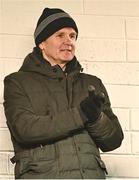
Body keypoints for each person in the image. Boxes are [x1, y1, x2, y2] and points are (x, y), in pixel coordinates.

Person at [3, 7, 124, 179]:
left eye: (72, 36)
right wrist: (81, 115)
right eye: (60, 35)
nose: (69, 41)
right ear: (42, 43)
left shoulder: (92, 83)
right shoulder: (17, 82)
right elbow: (25, 130)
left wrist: (97, 118)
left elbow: (114, 140)